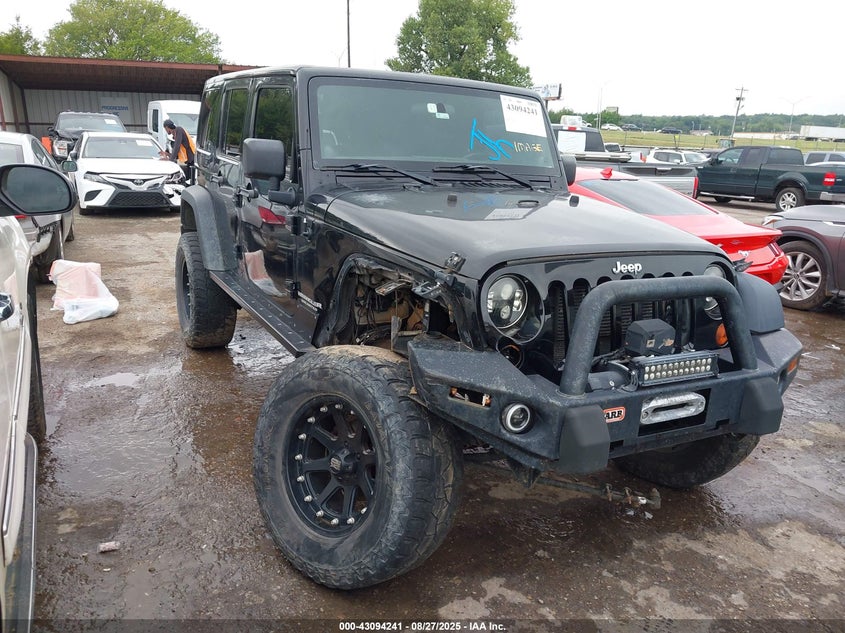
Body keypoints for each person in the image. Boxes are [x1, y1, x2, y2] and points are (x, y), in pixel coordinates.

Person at [159, 119, 196, 183]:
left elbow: (177, 147)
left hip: (192, 158)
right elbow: (177, 152)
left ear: (167, 127)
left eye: (165, 129)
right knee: (187, 180)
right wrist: (167, 154)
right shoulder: (175, 135)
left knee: (189, 180)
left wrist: (170, 160)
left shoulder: (179, 130)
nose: (166, 131)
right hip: (187, 160)